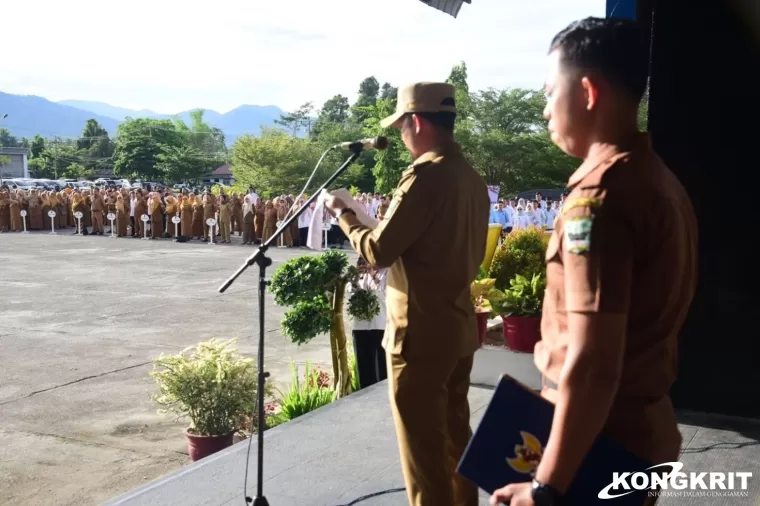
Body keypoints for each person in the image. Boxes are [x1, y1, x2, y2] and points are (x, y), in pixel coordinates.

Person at [489, 18, 698, 506]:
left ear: (586, 91)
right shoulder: (658, 180)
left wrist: (547, 487)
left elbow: (594, 363)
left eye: (548, 92)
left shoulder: (599, 198)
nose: (544, 110)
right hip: (639, 431)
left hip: (597, 447)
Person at [324, 81, 490, 506]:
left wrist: (344, 213)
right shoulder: (470, 177)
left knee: (423, 455)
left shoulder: (426, 175)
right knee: (456, 439)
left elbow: (379, 249)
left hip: (418, 333)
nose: (400, 135)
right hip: (456, 326)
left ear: (416, 121)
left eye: (400, 125)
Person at [346, 257, 388, 389]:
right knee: (364, 373)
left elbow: (385, 296)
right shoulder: (359, 274)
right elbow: (350, 294)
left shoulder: (388, 271)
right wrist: (356, 278)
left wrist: (373, 276)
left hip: (380, 327)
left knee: (381, 372)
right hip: (360, 327)